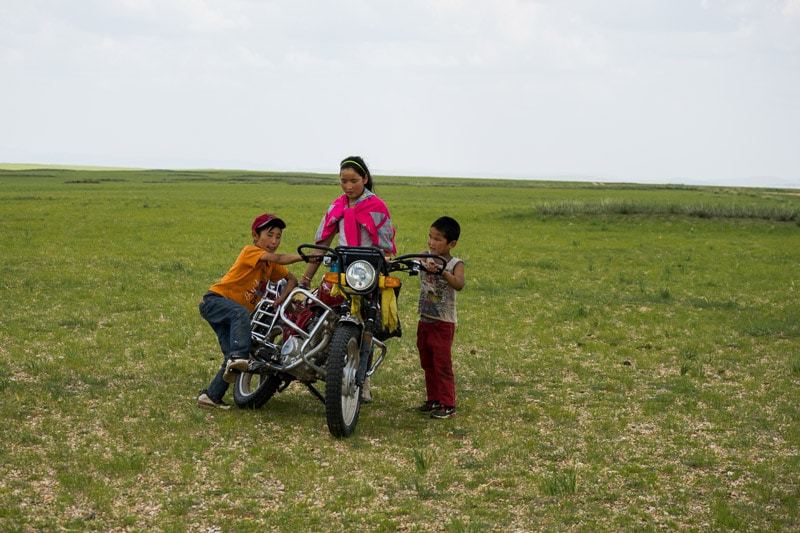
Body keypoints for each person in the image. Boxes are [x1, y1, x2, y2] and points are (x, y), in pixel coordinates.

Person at [298, 156, 397, 402]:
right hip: (340, 269)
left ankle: (362, 379)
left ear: (364, 179)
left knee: (367, 324)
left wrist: (385, 268)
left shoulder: (377, 207)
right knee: (321, 312)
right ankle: (316, 359)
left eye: (353, 180)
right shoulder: (336, 206)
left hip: (367, 271)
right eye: (343, 181)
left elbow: (385, 247)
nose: (348, 186)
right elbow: (322, 243)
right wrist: (307, 277)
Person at [197, 213, 302, 409]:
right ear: (255, 236)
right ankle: (239, 357)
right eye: (269, 235)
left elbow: (292, 280)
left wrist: (281, 299)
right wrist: (303, 256)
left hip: (229, 314)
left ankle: (211, 396)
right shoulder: (251, 251)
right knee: (240, 333)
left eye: (278, 237)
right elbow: (279, 257)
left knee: (234, 356)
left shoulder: (271, 266)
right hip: (215, 301)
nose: (274, 241)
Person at [415, 216, 465, 419]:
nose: (432, 243)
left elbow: (459, 284)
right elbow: (410, 262)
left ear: (451, 243)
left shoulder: (455, 263)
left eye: (437, 239)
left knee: (442, 363)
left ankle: (448, 404)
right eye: (430, 237)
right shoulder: (425, 257)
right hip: (425, 319)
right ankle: (433, 399)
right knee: (427, 361)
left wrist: (443, 272)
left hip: (444, 323)